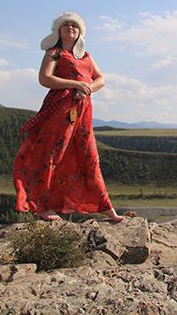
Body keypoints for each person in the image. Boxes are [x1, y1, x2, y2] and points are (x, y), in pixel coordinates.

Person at [13, 11, 124, 222]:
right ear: (59, 30)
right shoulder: (54, 52)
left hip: (83, 110)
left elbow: (101, 79)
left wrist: (87, 89)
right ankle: (42, 206)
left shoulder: (86, 56)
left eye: (74, 25)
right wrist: (75, 84)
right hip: (60, 109)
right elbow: (45, 78)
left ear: (80, 32)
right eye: (66, 25)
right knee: (52, 154)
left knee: (88, 155)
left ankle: (106, 207)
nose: (70, 27)